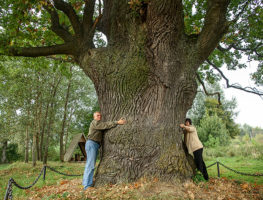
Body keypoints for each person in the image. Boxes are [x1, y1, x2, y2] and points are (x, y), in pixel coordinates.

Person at [82, 111, 126, 190]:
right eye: (97, 115)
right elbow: (105, 125)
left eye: (100, 115)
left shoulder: (98, 124)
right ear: (94, 117)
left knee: (90, 164)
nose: (99, 117)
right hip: (91, 144)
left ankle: (87, 183)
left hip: (94, 145)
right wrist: (117, 122)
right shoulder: (95, 123)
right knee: (90, 165)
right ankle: (87, 186)